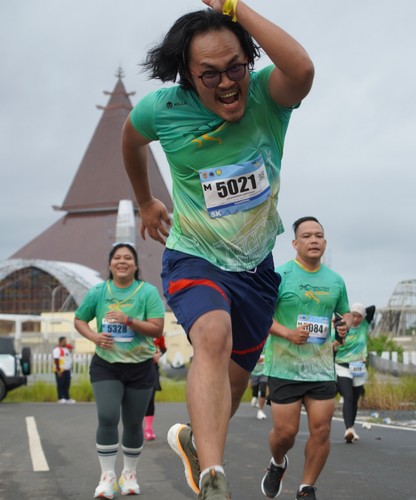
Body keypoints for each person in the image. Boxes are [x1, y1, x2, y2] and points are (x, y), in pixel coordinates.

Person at [121, 1, 314, 498]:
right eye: (210, 74)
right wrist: (145, 201)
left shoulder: (267, 97)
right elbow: (131, 140)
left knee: (231, 388)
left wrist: (234, 7)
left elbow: (302, 69)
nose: (227, 83)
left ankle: (193, 440)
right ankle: (213, 477)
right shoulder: (163, 109)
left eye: (236, 68)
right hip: (194, 255)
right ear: (187, 75)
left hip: (256, 269)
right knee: (211, 333)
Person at [261, 217, 351, 500]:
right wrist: (288, 333)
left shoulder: (335, 281)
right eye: (307, 236)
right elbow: (261, 317)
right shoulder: (279, 276)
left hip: (321, 368)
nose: (314, 240)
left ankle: (306, 487)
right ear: (294, 243)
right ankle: (277, 463)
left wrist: (344, 325)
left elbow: (345, 312)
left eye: (319, 235)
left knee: (322, 430)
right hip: (284, 367)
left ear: (324, 242)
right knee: (285, 433)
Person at [74, 243, 165, 499]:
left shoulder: (147, 292)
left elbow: (157, 328)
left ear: (135, 265)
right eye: (117, 258)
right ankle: (107, 477)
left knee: (134, 423)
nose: (122, 261)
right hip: (107, 366)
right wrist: (94, 337)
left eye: (127, 258)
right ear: (110, 264)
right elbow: (79, 319)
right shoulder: (98, 292)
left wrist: (128, 320)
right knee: (107, 416)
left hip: (141, 367)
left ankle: (129, 474)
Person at [334, 302, 376, 443]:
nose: (356, 319)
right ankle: (348, 429)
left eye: (359, 317)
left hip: (358, 367)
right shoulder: (342, 326)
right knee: (348, 396)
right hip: (342, 366)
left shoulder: (364, 325)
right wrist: (347, 315)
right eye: (354, 316)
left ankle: (351, 427)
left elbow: (372, 308)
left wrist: (361, 311)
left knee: (355, 399)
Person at [143, 334, 167, 440]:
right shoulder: (138, 330)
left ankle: (148, 429)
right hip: (138, 367)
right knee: (136, 399)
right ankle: (134, 427)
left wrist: (158, 355)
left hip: (153, 368)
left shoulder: (158, 334)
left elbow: (163, 349)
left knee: (150, 398)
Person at [52, 336, 75, 404]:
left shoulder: (66, 349)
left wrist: (70, 348)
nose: (66, 342)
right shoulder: (57, 350)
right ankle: (60, 398)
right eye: (64, 341)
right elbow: (56, 360)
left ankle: (67, 397)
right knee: (60, 384)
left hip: (67, 369)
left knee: (67, 384)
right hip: (60, 370)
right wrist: (58, 370)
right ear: (61, 342)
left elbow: (68, 356)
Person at [250, 343, 268, 420]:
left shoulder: (268, 343)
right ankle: (254, 396)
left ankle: (260, 411)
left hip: (264, 372)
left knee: (263, 390)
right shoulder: (254, 343)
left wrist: (264, 359)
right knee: (255, 389)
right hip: (254, 371)